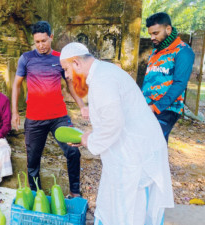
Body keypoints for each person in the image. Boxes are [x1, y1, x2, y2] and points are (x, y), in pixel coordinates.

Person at [60, 42, 174, 225]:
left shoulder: (102, 80)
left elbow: (114, 124)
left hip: (136, 155)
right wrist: (89, 136)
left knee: (129, 210)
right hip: (131, 150)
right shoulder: (104, 73)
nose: (66, 75)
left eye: (66, 69)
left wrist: (87, 139)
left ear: (76, 63)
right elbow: (111, 119)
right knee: (117, 205)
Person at [11, 21, 88, 197]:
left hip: (58, 116)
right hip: (34, 118)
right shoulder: (26, 58)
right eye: (37, 42)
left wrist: (82, 106)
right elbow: (16, 85)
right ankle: (36, 193)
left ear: (51, 37)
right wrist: (15, 112)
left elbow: (70, 85)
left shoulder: (60, 59)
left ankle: (74, 191)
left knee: (73, 151)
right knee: (32, 159)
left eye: (44, 41)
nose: (40, 45)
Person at [142, 12, 195, 142]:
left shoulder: (183, 51)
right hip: (147, 106)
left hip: (167, 108)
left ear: (168, 29)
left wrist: (156, 107)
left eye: (156, 33)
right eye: (150, 34)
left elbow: (179, 84)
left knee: (152, 141)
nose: (152, 38)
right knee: (153, 145)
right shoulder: (156, 50)